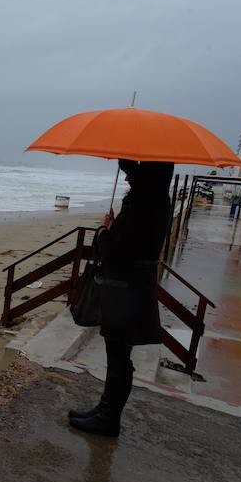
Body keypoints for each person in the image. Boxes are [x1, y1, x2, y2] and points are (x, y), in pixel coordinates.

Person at [68, 159, 173, 437]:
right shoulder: (157, 200)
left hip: (125, 290)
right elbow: (135, 243)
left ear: (146, 177)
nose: (127, 180)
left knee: (118, 356)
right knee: (119, 354)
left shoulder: (141, 205)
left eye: (133, 174)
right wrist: (115, 228)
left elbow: (115, 250)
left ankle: (107, 418)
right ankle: (104, 410)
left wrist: (104, 231)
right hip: (134, 288)